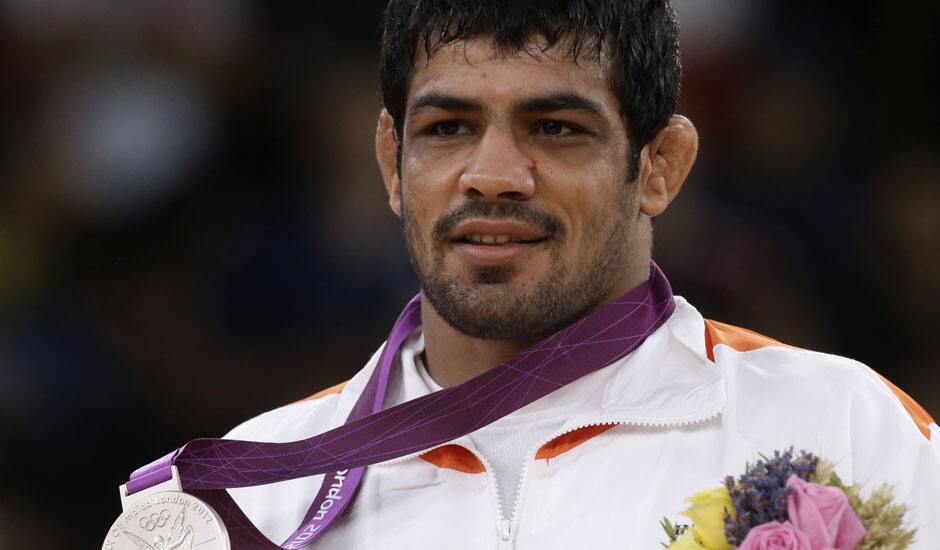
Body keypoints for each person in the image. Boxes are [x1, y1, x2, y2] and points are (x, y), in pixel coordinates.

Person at [225, 1, 940, 548]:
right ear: (391, 162)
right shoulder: (246, 500)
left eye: (556, 129)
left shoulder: (849, 433)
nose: (494, 177)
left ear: (660, 166)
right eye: (447, 128)